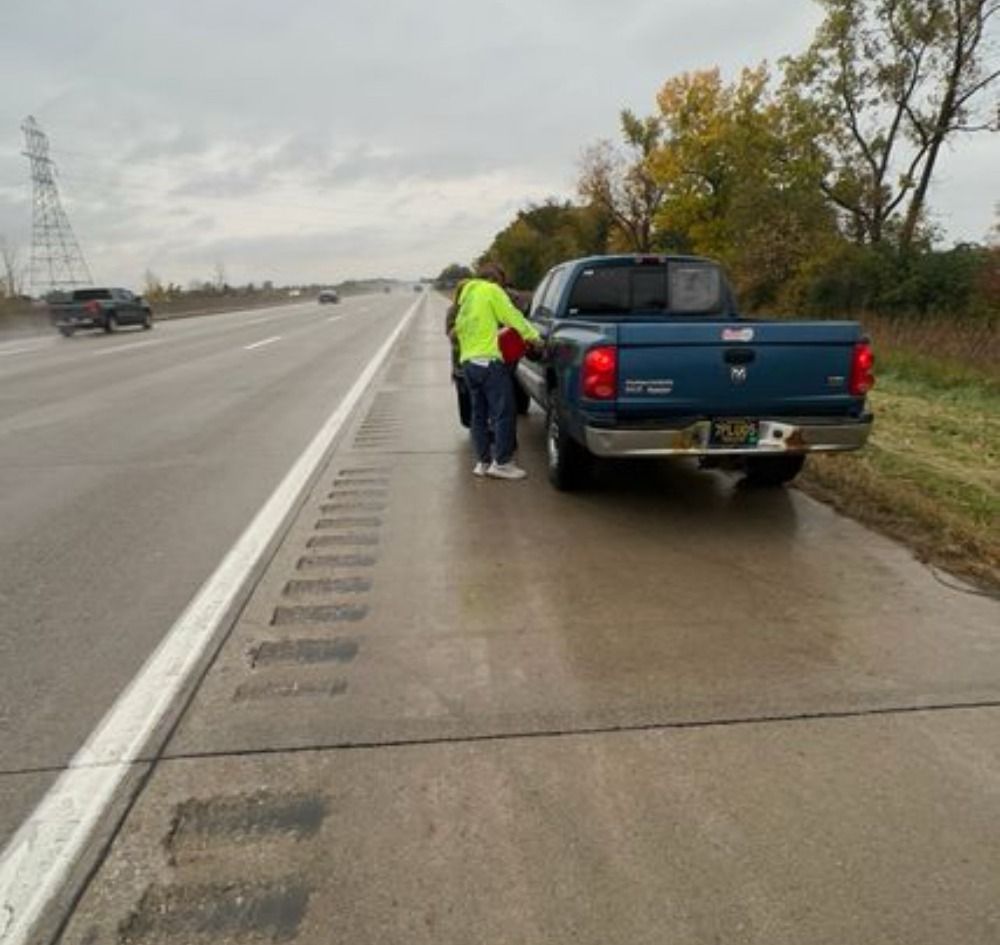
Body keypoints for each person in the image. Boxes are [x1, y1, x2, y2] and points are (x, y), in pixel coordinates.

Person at [452, 262, 541, 479]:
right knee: (503, 412)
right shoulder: (490, 291)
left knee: (479, 415)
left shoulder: (467, 297)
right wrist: (534, 338)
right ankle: (502, 463)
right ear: (495, 280)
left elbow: (459, 331)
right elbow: (512, 317)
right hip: (489, 362)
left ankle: (483, 462)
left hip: (469, 363)